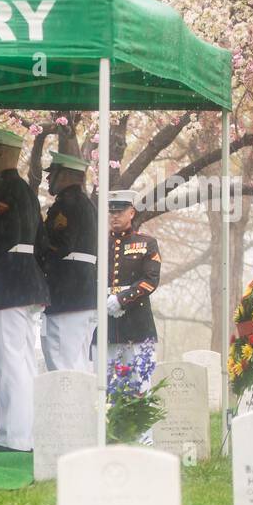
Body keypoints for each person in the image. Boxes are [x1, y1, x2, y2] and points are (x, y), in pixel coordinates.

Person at [0, 125, 48, 452]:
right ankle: (18, 433)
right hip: (23, 282)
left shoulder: (5, 191)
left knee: (10, 364)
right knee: (18, 362)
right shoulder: (25, 191)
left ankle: (16, 436)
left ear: (2, 153)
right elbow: (41, 242)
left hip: (8, 284)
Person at [35, 150, 97, 372]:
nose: (48, 178)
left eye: (53, 173)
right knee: (77, 364)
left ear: (66, 175)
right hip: (82, 294)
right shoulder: (85, 203)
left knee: (62, 363)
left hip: (67, 293)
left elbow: (60, 245)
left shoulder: (68, 203)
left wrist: (37, 250)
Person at [104, 190, 161, 392]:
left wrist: (121, 299)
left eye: (119, 212)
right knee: (105, 384)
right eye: (111, 212)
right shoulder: (100, 244)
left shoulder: (147, 243)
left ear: (131, 213)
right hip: (106, 323)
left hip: (136, 322)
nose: (114, 216)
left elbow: (150, 280)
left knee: (140, 386)